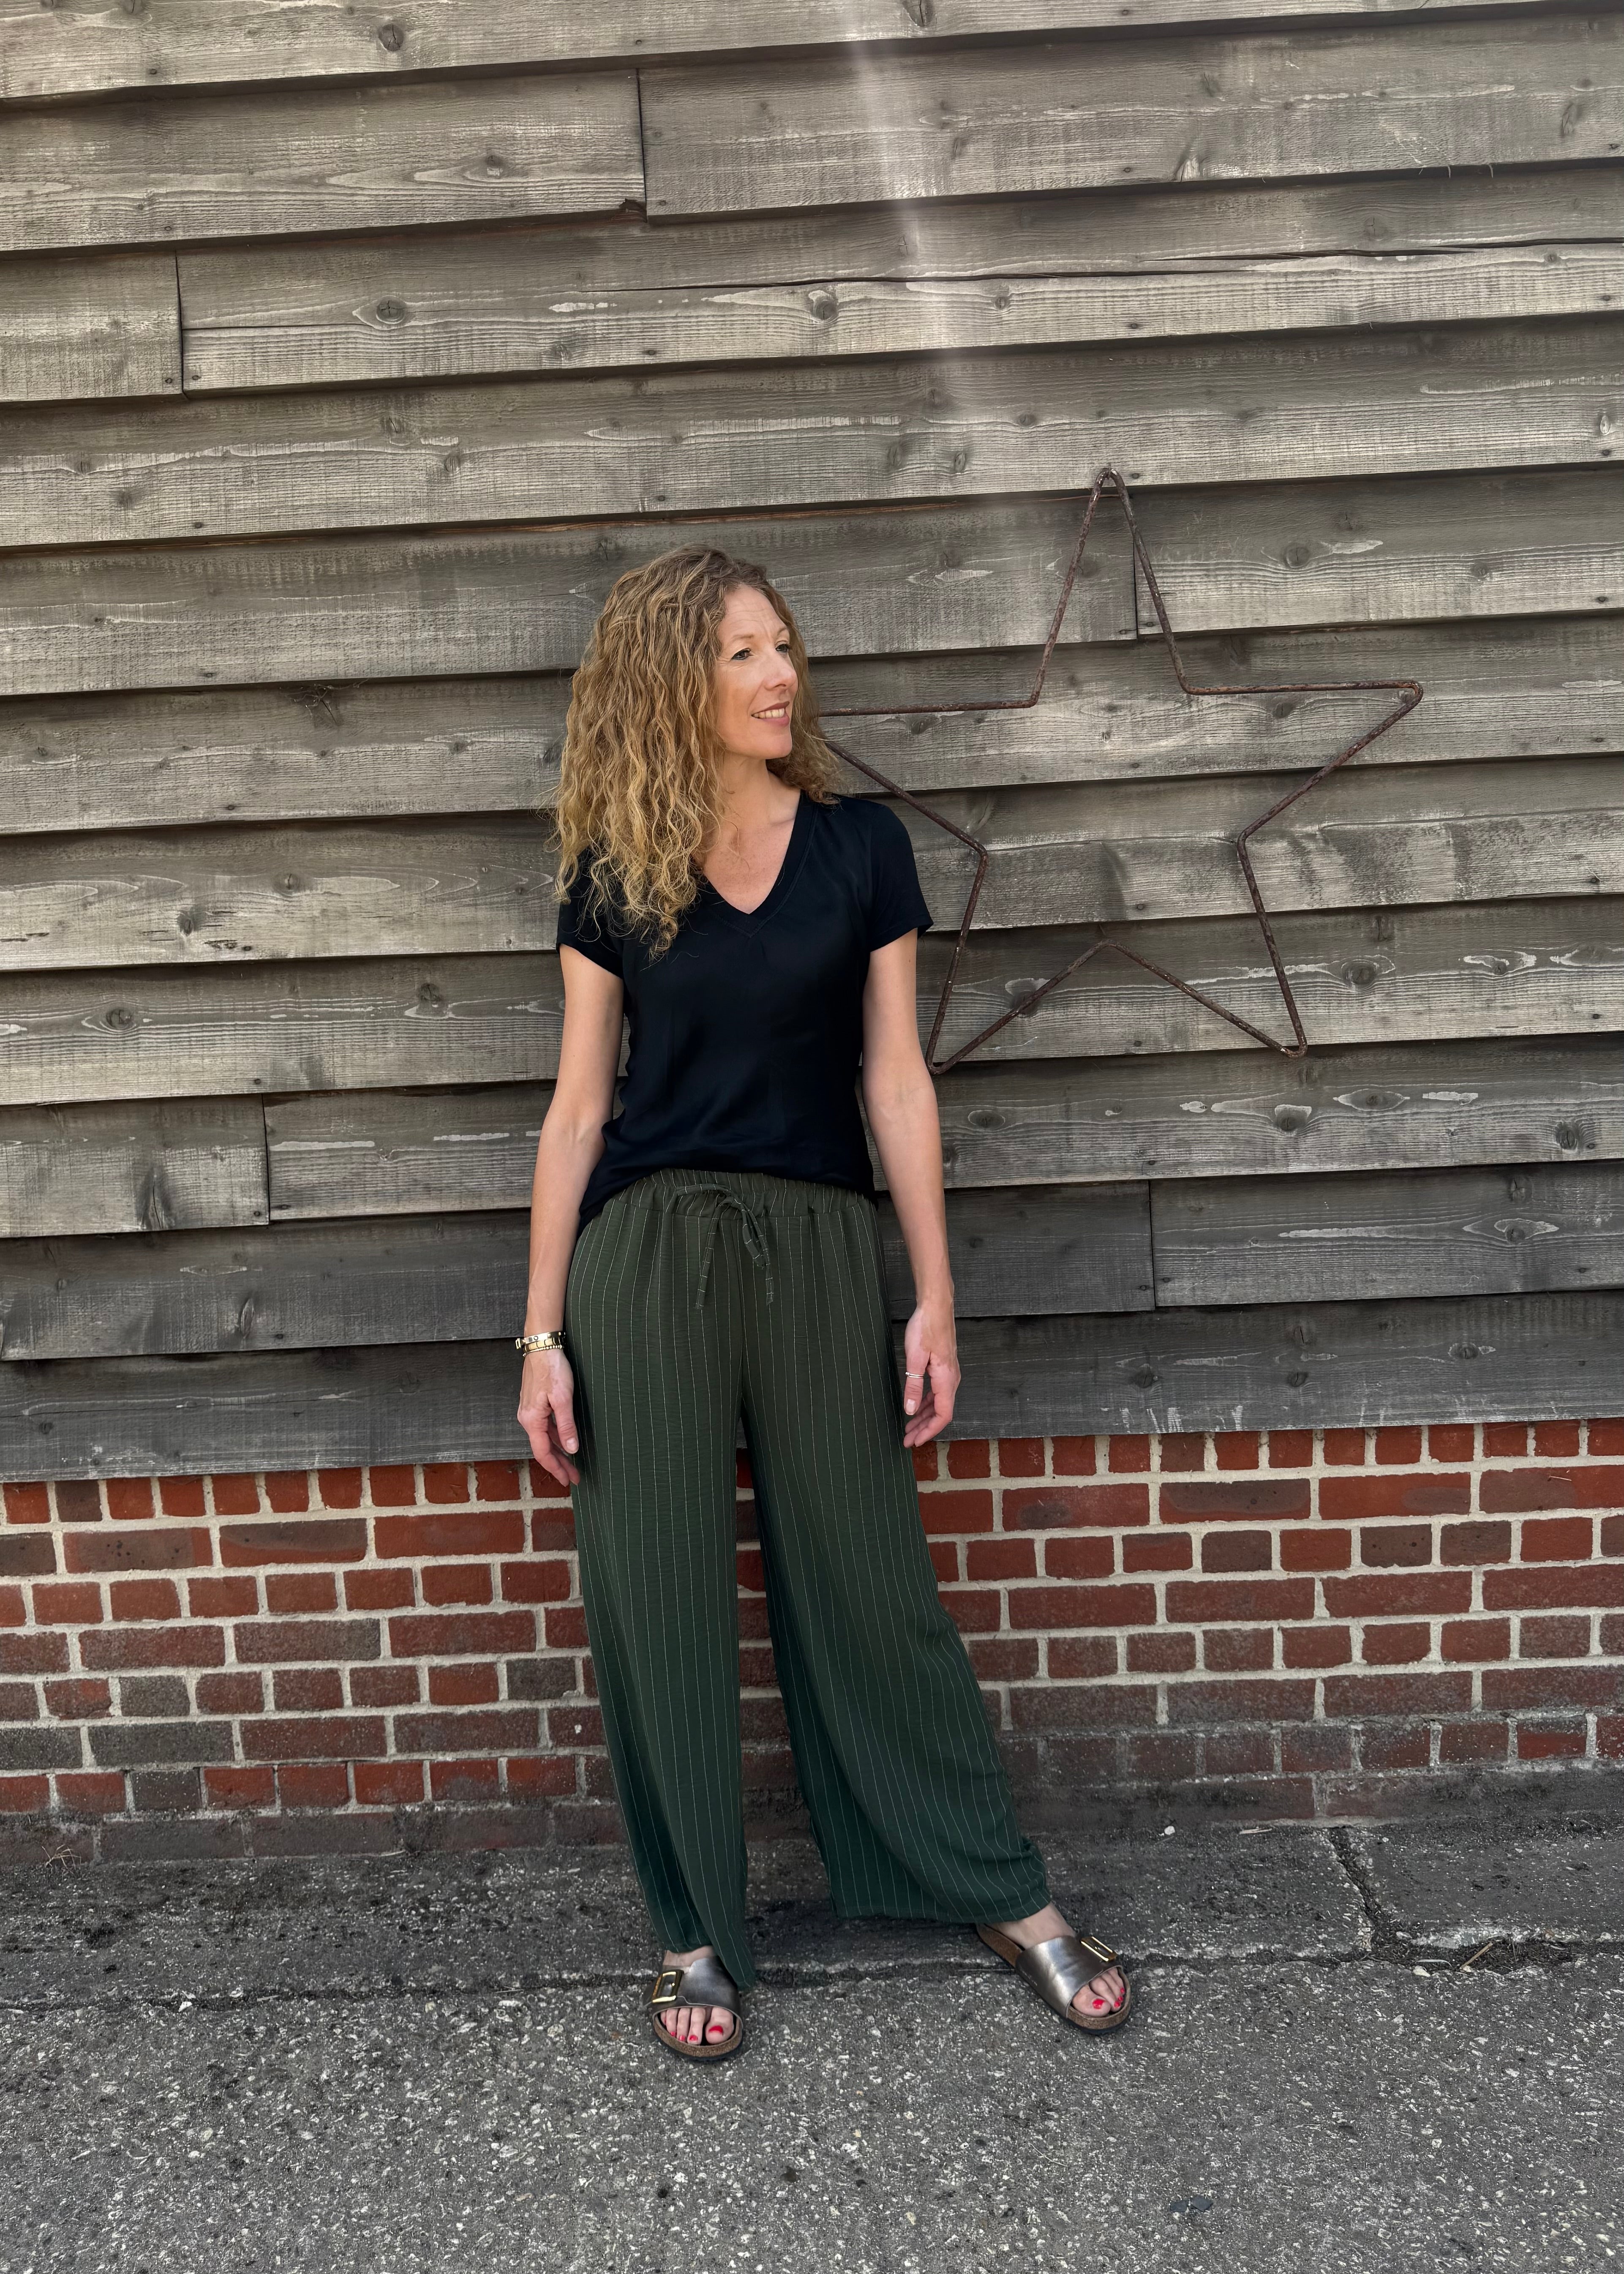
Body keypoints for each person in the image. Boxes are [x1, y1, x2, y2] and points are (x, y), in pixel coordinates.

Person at [516, 545, 1130, 2061]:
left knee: (867, 1575)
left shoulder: (862, 850)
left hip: (814, 1244)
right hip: (645, 1256)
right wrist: (540, 1332)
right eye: (739, 652)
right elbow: (578, 1109)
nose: (778, 673)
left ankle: (990, 1886)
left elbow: (895, 1079)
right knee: (650, 1591)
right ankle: (693, 1934)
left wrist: (931, 1297)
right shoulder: (612, 867)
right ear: (674, 678)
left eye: (782, 644)